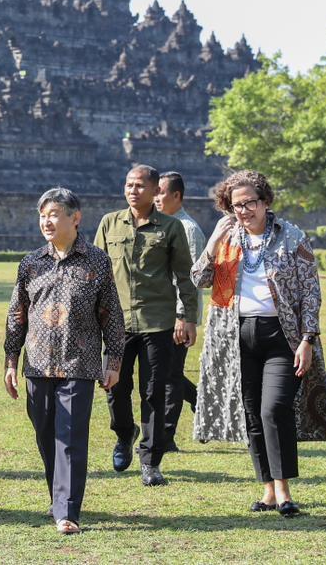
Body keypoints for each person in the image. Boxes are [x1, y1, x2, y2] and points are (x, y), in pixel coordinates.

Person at [191, 169, 326, 517]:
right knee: (252, 414)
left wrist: (307, 339)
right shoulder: (227, 238)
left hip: (282, 336)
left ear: (265, 202)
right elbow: (199, 279)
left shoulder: (291, 237)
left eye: (250, 203)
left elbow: (309, 293)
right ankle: (268, 490)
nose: (243, 211)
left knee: (274, 409)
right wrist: (213, 242)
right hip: (235, 336)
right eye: (236, 205)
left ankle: (285, 489)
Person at [4, 187, 125, 535]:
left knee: (70, 437)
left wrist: (113, 360)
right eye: (43, 214)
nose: (47, 220)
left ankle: (67, 511)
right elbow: (17, 315)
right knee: (45, 434)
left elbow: (111, 316)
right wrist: (11, 360)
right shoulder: (30, 263)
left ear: (75, 218)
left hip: (80, 363)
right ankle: (58, 498)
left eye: (54, 213)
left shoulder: (97, 262)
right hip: (37, 364)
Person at [93, 164, 195, 487]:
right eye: (128, 185)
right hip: (116, 323)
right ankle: (125, 434)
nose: (133, 190)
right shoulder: (110, 224)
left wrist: (187, 316)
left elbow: (185, 276)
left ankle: (151, 460)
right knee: (115, 387)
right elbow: (94, 272)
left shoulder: (170, 228)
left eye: (140, 186)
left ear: (154, 192)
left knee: (154, 393)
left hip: (157, 322)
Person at [156, 171, 207, 452]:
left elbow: (189, 279)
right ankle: (201, 399)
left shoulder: (188, 230)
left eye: (161, 192)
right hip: (159, 314)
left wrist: (183, 317)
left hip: (177, 316)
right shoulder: (162, 224)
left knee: (170, 375)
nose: (156, 199)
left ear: (176, 196)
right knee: (163, 372)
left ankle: (166, 436)